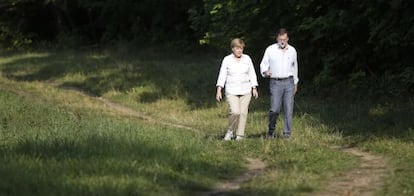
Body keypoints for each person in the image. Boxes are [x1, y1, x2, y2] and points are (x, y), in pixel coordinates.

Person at [216, 38, 259, 141]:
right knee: (235, 112)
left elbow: (252, 73)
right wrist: (219, 89)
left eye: (241, 48)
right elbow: (222, 75)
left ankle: (240, 135)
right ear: (233, 49)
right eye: (237, 48)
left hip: (245, 90)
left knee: (243, 112)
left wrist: (254, 87)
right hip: (232, 90)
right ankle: (230, 131)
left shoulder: (247, 59)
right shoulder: (227, 60)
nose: (239, 51)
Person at [260, 28, 299, 139]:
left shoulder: (292, 51)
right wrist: (265, 72)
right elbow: (263, 64)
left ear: (287, 39)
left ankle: (287, 134)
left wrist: (295, 83)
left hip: (289, 82)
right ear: (277, 38)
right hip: (275, 82)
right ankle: (271, 131)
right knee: (275, 109)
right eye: (280, 39)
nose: (282, 41)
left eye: (284, 39)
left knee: (288, 109)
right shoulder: (270, 49)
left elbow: (295, 67)